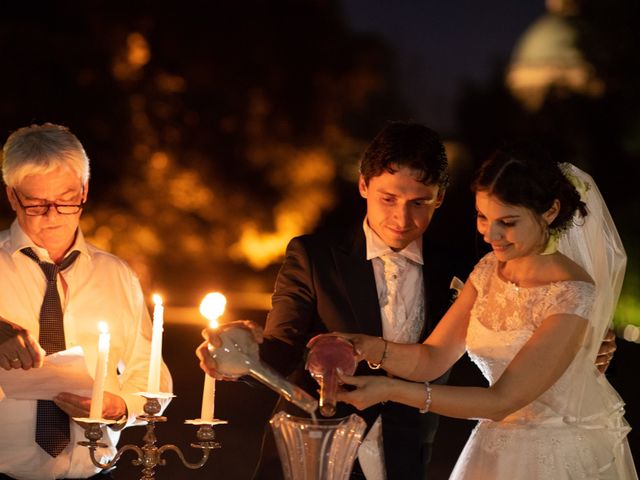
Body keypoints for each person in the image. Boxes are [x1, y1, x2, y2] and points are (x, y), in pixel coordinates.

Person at [196, 123, 617, 480]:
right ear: (363, 185)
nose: (402, 218)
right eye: (388, 199)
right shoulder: (314, 256)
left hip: (408, 453)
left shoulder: (471, 261)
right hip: (315, 448)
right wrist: (239, 359)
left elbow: (529, 328)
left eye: (419, 203)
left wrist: (587, 341)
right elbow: (283, 348)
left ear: (440, 197)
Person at [334, 142, 637, 479]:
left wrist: (390, 390)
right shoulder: (488, 268)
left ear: (550, 211)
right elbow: (431, 357)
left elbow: (502, 401)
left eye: (507, 222)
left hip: (553, 453)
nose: (490, 234)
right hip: (491, 449)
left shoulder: (573, 292)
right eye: (482, 216)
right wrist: (365, 346)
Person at [0, 123, 172, 480]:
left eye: (65, 200)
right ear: (13, 196)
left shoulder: (116, 275)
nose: (52, 216)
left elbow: (152, 374)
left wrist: (121, 407)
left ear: (84, 191)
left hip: (94, 473)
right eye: (35, 203)